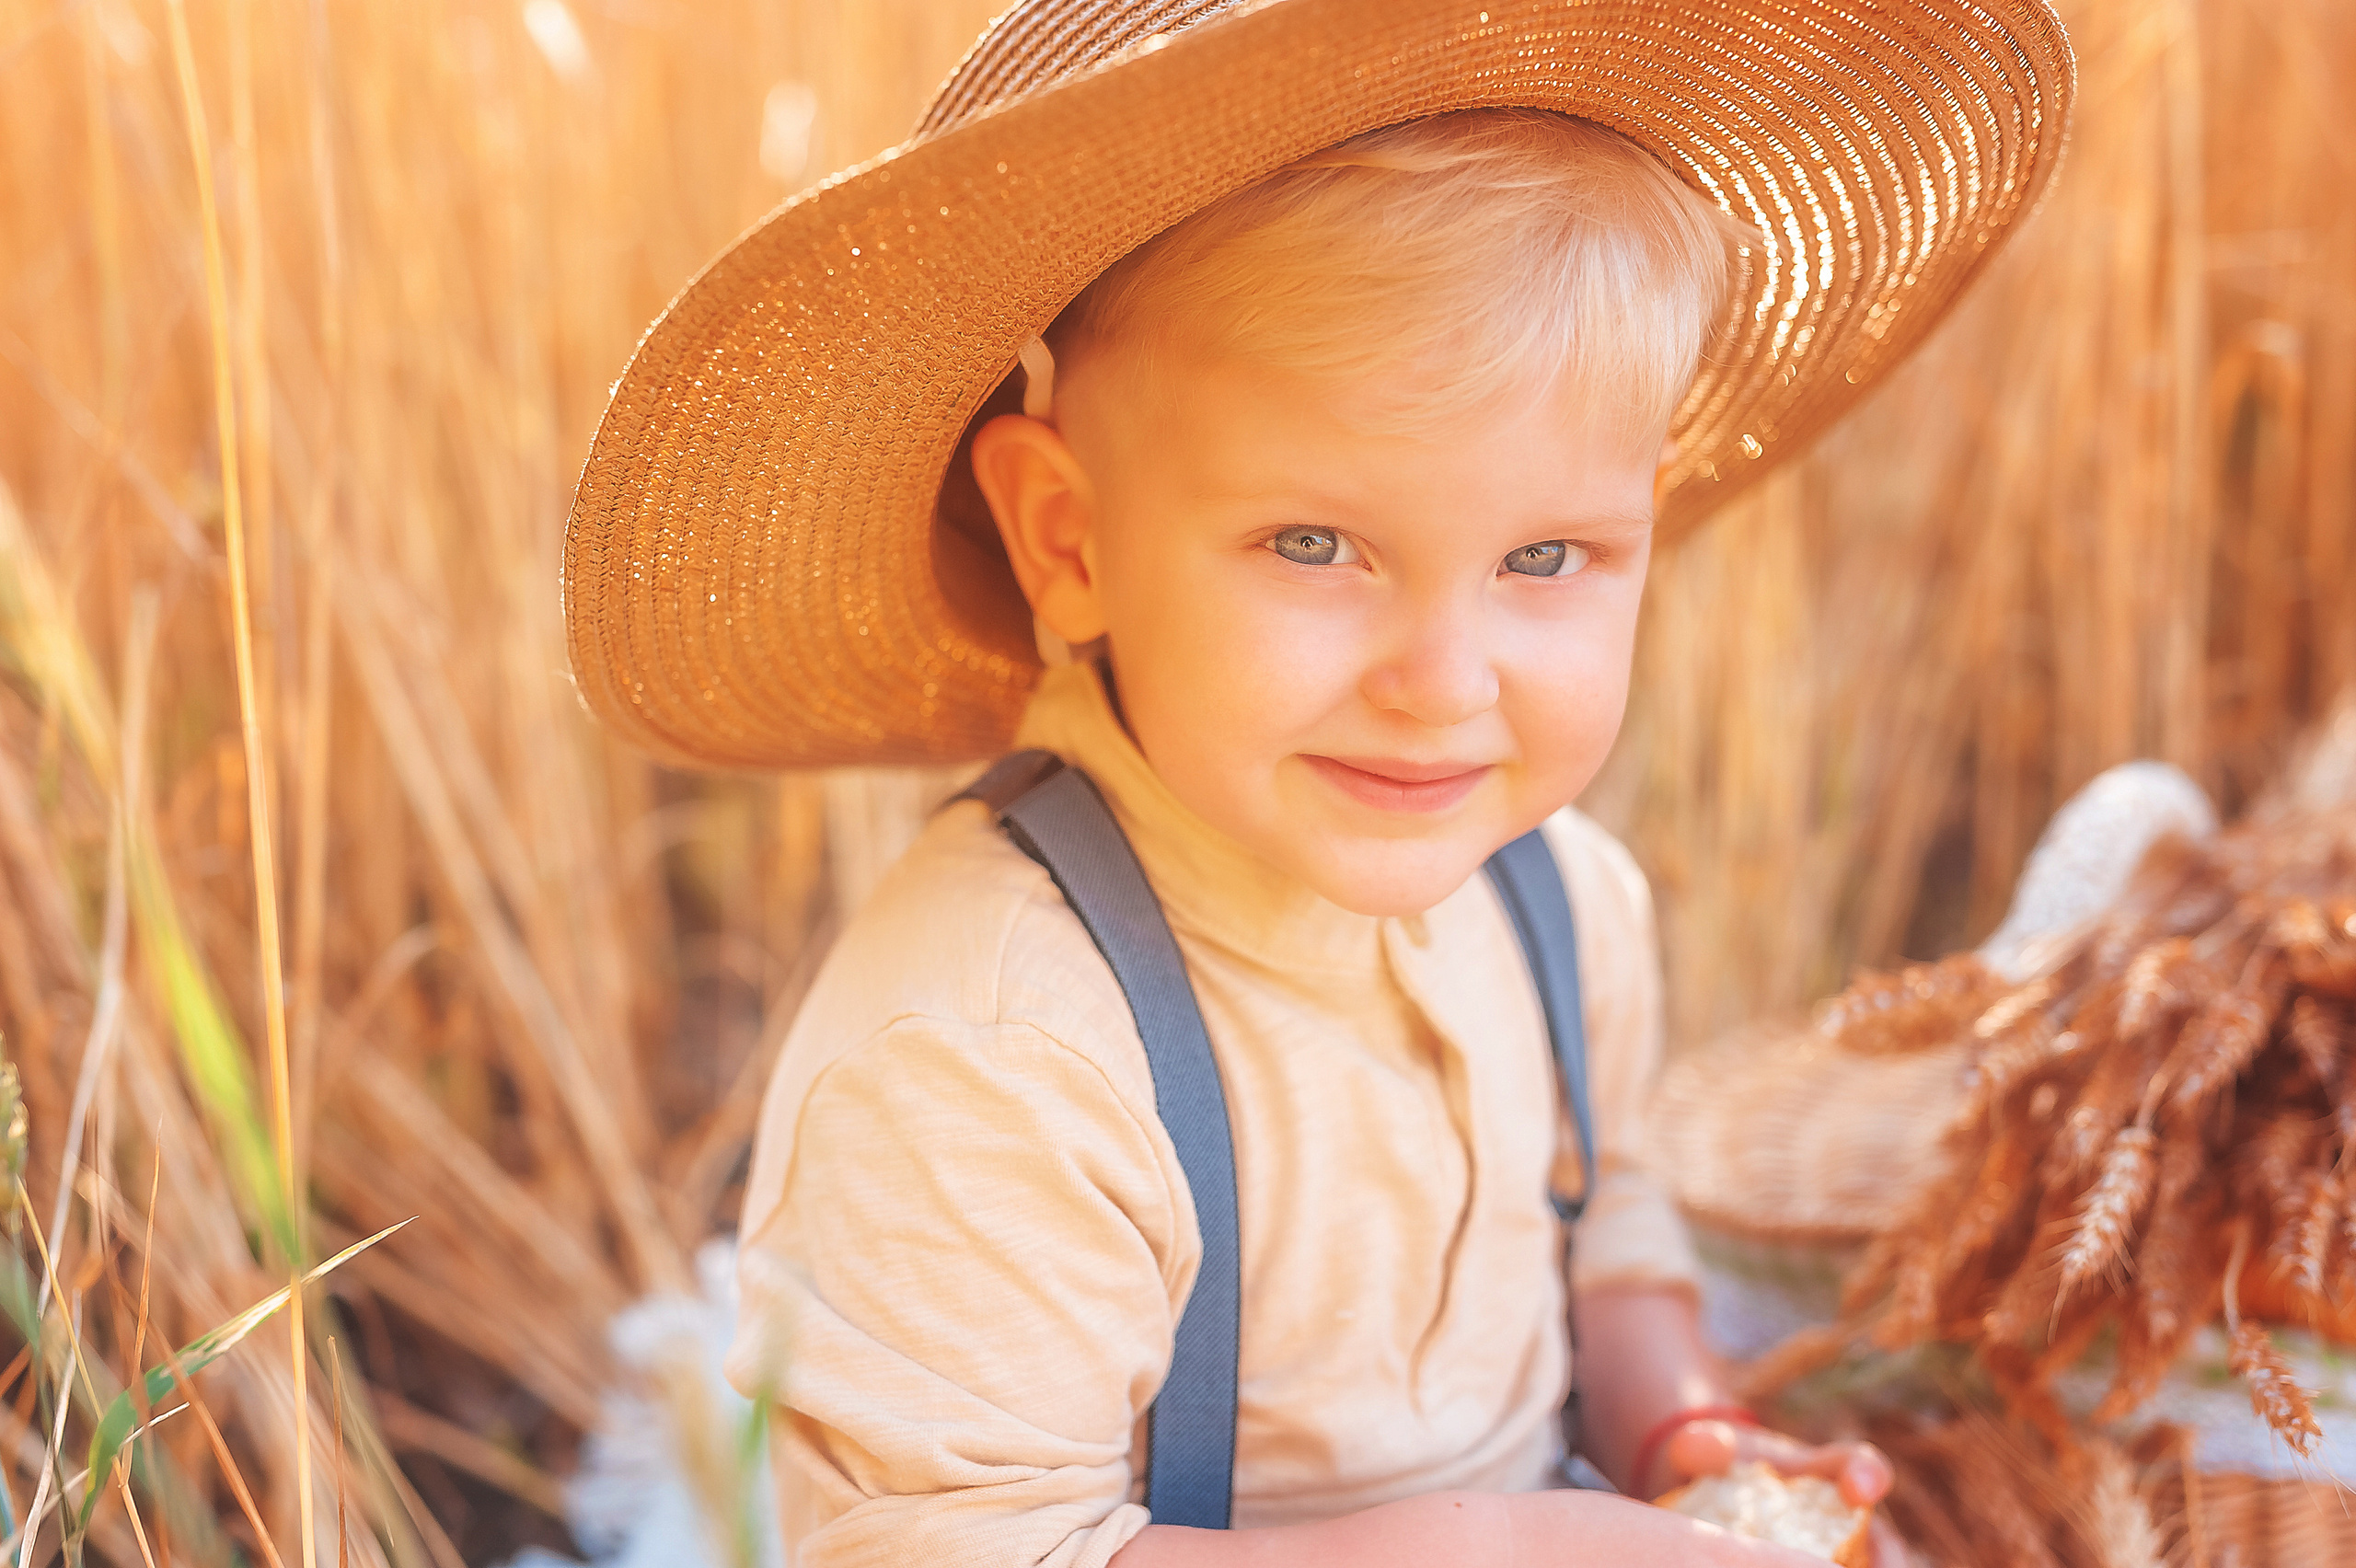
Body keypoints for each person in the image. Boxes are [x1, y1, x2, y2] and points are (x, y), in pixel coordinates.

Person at [559, 2, 2075, 1563]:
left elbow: (1604, 1244)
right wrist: (1490, 1550)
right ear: (1067, 542)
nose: (1443, 681)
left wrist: (1678, 1426)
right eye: (1314, 547)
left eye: (1544, 557)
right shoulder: (993, 1049)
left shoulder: (1562, 906)